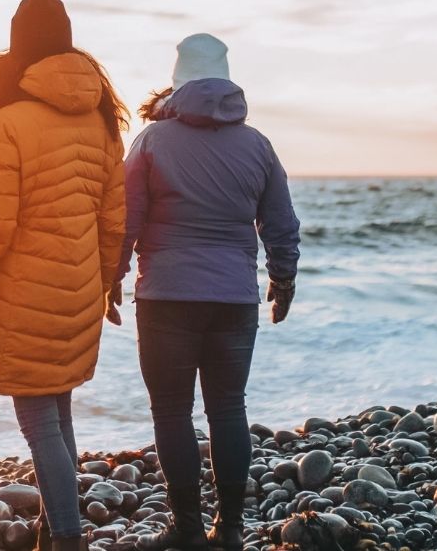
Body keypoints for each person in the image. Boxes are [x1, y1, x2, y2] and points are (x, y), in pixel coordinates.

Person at [0, 0, 127, 551]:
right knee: (59, 410)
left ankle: (68, 537)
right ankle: (54, 528)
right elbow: (112, 223)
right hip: (79, 291)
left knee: (40, 422)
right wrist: (106, 284)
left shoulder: (10, 123)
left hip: (25, 297)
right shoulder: (101, 123)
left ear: (19, 53)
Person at [119, 33, 300, 551]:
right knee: (228, 408)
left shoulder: (152, 141)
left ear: (177, 82)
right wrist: (282, 280)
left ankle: (188, 529)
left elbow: (126, 220)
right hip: (234, 298)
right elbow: (281, 223)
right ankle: (231, 530)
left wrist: (111, 276)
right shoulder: (258, 144)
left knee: (172, 412)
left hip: (167, 295)